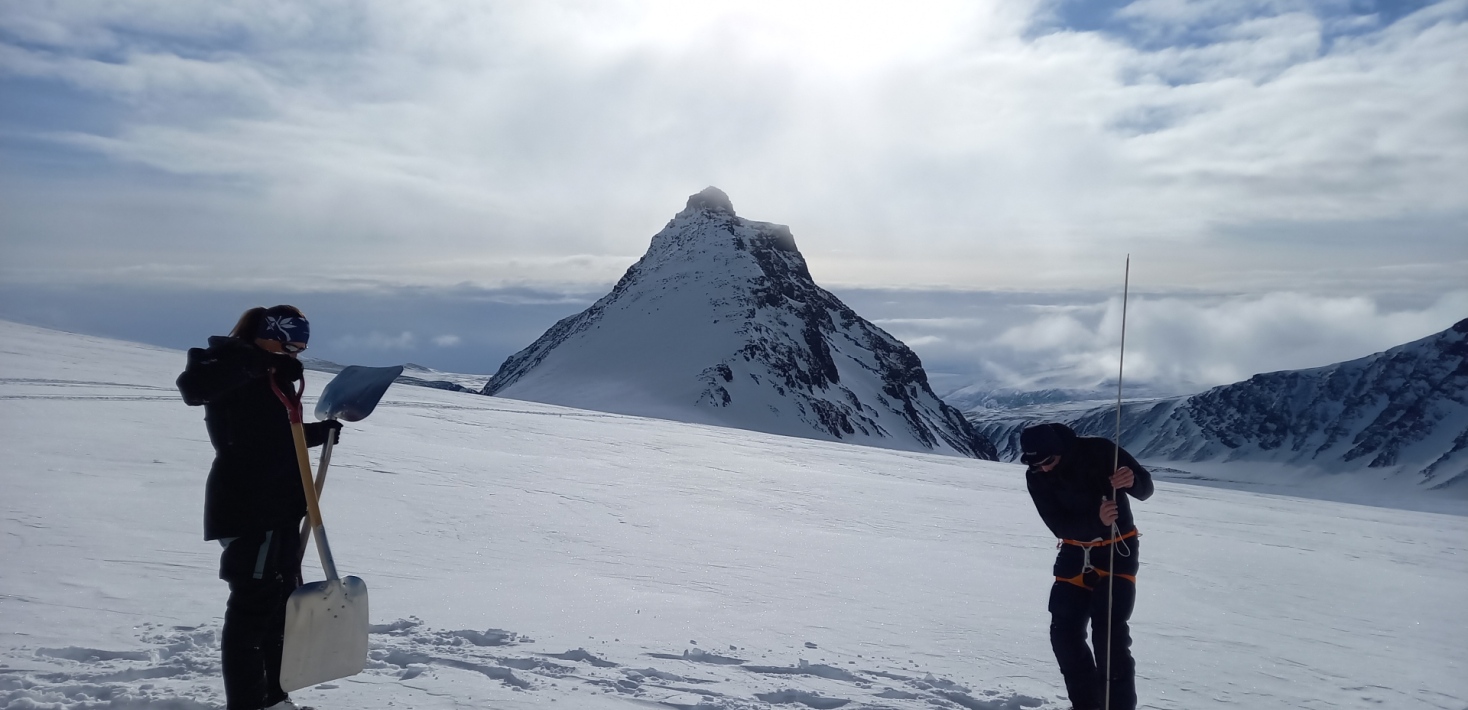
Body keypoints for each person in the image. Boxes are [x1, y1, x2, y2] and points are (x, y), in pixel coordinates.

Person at [176, 305, 342, 710]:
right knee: (253, 610)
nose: (294, 354)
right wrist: (256, 363)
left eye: (301, 348)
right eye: (288, 344)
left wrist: (319, 432)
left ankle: (273, 698)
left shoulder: (271, 375)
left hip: (281, 505)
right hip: (250, 505)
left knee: (279, 608)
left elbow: (273, 436)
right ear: (266, 335)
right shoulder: (228, 362)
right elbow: (193, 388)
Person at [1021, 422, 1153, 710]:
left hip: (1117, 552)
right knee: (1064, 635)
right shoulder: (1036, 477)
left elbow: (1146, 488)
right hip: (1073, 554)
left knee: (1110, 639)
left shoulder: (1101, 451)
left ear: (1061, 450)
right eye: (1034, 464)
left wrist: (1132, 482)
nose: (1043, 469)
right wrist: (1097, 521)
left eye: (1048, 461)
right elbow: (1057, 524)